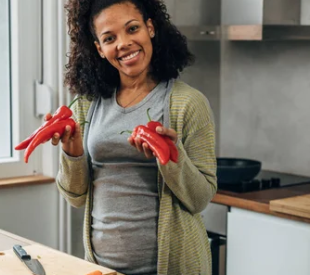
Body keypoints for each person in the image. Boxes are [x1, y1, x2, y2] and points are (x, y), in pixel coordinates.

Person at [47, 0, 217, 274]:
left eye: (132, 28)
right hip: (102, 269)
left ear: (150, 28)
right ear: (99, 49)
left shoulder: (188, 103)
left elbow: (200, 199)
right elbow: (76, 197)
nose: (123, 43)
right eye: (109, 38)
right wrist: (73, 152)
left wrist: (172, 157)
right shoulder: (87, 105)